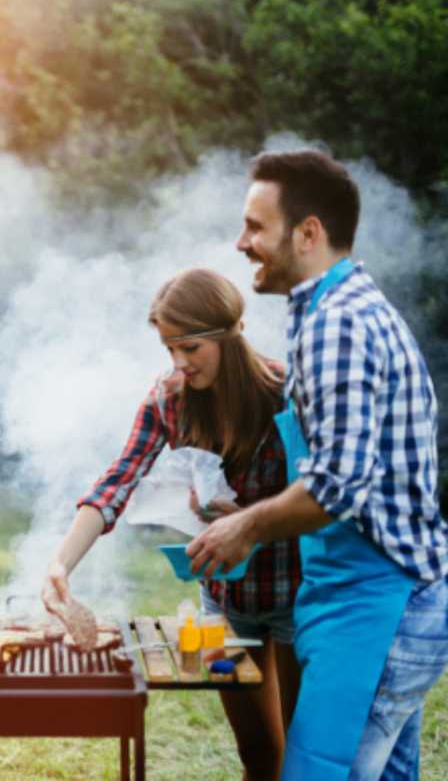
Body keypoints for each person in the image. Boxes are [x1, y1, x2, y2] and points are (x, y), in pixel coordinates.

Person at [189, 149, 448, 780]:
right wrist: (253, 512)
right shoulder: (339, 312)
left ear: (308, 233)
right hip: (382, 600)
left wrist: (243, 528)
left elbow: (339, 487)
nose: (241, 242)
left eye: (256, 226)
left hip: (378, 608)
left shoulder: (339, 324)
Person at [42, 268, 301, 781]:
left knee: (303, 755)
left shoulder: (284, 392)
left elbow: (320, 495)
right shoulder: (170, 397)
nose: (179, 364)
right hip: (225, 600)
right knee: (257, 752)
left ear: (232, 333)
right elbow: (119, 480)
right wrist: (60, 563)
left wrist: (249, 523)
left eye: (190, 348)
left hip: (294, 590)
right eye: (169, 350)